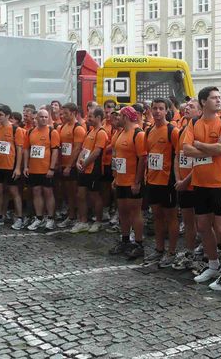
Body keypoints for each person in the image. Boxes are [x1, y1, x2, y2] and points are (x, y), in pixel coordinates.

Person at [183, 86, 221, 291]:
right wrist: (209, 147)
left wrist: (199, 144)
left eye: (219, 97)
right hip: (200, 182)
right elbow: (186, 150)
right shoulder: (194, 122)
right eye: (214, 98)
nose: (218, 100)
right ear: (203, 102)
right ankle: (213, 265)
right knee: (203, 226)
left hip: (219, 182)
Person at [143, 99, 180, 267]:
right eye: (155, 108)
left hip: (168, 181)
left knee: (171, 217)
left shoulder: (173, 131)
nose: (157, 111)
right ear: (151, 111)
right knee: (156, 216)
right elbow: (147, 156)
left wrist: (179, 179)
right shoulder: (149, 130)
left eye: (161, 109)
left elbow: (180, 156)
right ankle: (159, 249)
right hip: (152, 179)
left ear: (166, 111)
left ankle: (171, 251)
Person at [109, 106, 147, 259]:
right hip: (121, 180)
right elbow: (118, 157)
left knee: (135, 213)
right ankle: (125, 240)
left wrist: (137, 181)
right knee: (123, 211)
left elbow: (142, 159)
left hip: (132, 180)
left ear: (125, 117)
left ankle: (139, 244)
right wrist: (115, 177)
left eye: (119, 116)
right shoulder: (120, 133)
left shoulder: (138, 134)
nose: (117, 119)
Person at [172, 98, 201, 270]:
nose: (187, 108)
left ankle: (205, 255)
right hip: (182, 184)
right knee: (188, 222)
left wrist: (185, 181)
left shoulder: (200, 130)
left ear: (200, 111)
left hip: (196, 184)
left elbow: (200, 162)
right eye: (187, 106)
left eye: (192, 107)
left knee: (203, 224)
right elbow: (177, 156)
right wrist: (178, 179)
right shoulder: (182, 130)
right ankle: (190, 252)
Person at [0, 104, 26, 229]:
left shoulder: (16, 130)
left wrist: (18, 167)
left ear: (8, 116)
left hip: (11, 165)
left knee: (14, 191)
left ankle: (19, 217)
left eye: (1, 115)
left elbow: (19, 150)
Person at [71, 107, 108, 234]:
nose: (88, 118)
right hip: (84, 170)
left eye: (91, 116)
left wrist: (85, 164)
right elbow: (84, 149)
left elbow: (97, 152)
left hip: (93, 170)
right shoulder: (90, 131)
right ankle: (83, 221)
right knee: (80, 195)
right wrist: (78, 162)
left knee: (94, 196)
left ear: (98, 117)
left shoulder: (101, 133)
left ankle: (98, 221)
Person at [23, 109, 60, 231]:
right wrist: (26, 166)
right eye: (41, 117)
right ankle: (39, 218)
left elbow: (55, 151)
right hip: (34, 169)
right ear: (37, 118)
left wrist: (52, 168)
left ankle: (50, 218)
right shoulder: (30, 132)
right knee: (36, 192)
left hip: (46, 169)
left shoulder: (52, 132)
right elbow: (27, 149)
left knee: (48, 192)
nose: (44, 119)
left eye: (46, 117)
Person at [57, 103, 86, 228]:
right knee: (67, 192)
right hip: (63, 165)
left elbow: (77, 148)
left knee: (75, 193)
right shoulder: (63, 127)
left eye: (66, 113)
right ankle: (71, 215)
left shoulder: (78, 128)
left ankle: (78, 217)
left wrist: (69, 166)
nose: (63, 115)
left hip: (72, 166)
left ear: (73, 113)